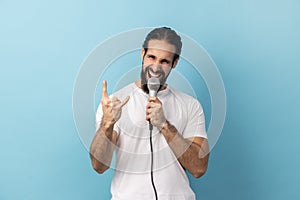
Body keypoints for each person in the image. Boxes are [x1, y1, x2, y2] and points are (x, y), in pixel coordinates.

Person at [90, 27, 209, 200]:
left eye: (164, 61)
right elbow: (98, 166)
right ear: (142, 54)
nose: (155, 67)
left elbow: (199, 168)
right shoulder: (115, 103)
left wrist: (164, 125)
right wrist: (107, 124)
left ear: (174, 63)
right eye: (151, 57)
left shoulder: (190, 106)